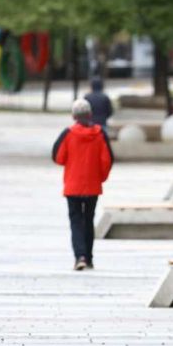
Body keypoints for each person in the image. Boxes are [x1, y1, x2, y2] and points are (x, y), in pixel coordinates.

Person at [52, 99, 114, 270]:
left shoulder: (68, 134)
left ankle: (80, 256)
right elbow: (107, 160)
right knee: (88, 220)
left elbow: (58, 157)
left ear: (74, 116)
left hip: (72, 186)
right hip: (93, 187)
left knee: (76, 221)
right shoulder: (100, 134)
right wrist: (100, 178)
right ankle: (89, 257)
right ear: (90, 114)